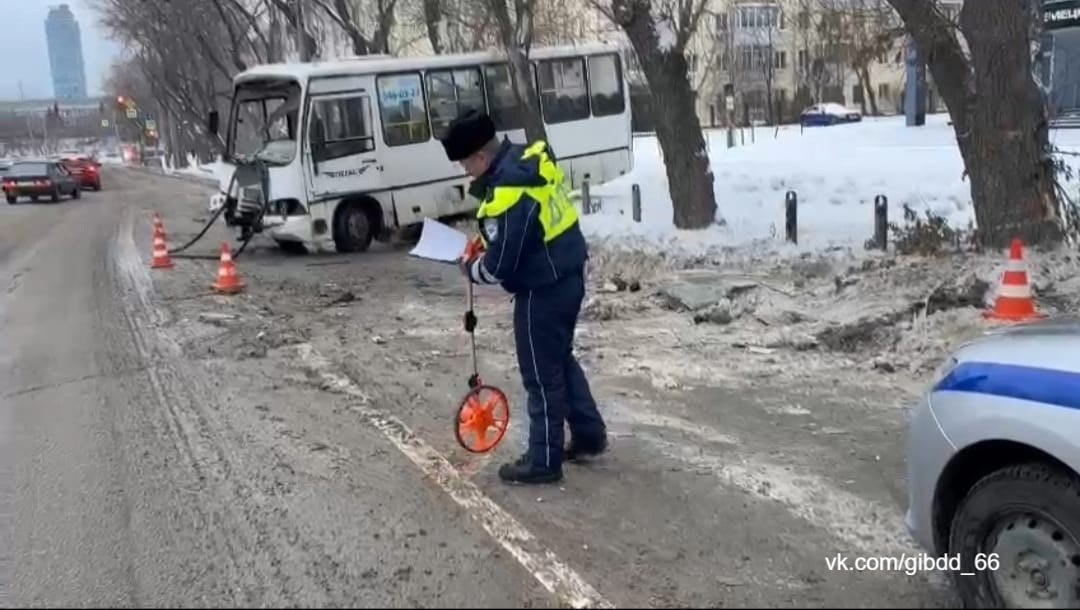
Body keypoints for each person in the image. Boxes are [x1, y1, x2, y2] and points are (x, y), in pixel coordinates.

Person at [440, 110, 607, 485]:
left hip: (542, 289)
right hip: (568, 273)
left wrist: (470, 269)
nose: (466, 171)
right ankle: (589, 435)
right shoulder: (525, 162)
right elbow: (526, 230)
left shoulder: (509, 190)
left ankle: (543, 460)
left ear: (481, 157)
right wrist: (485, 241)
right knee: (559, 360)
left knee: (540, 375)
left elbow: (503, 264)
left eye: (466, 163)